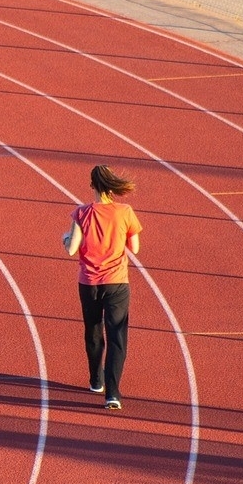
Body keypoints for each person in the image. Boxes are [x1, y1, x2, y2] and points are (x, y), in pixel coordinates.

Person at [63, 164, 142, 409]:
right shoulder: (125, 211)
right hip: (117, 282)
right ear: (112, 185)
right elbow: (135, 248)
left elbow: (71, 248)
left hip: (89, 283)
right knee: (117, 335)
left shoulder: (81, 212)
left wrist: (65, 238)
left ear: (92, 186)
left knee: (93, 330)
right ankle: (113, 394)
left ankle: (96, 379)